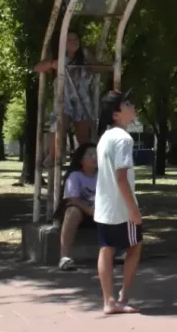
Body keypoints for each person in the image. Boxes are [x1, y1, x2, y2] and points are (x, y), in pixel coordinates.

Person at [94, 90, 142, 315]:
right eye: (126, 104)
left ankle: (109, 300)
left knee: (107, 249)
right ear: (116, 114)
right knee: (135, 246)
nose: (132, 106)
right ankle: (122, 295)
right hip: (121, 208)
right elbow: (121, 178)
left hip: (104, 208)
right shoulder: (124, 139)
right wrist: (134, 210)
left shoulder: (105, 137)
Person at [34, 30, 96, 162]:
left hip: (82, 98)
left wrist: (106, 66)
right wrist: (52, 64)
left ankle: (83, 161)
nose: (74, 42)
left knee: (84, 137)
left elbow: (97, 67)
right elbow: (37, 68)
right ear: (62, 41)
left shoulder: (84, 54)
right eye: (70, 40)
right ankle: (54, 155)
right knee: (60, 121)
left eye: (76, 40)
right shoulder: (58, 55)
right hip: (64, 96)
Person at [57, 142, 97, 271]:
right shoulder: (75, 176)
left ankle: (121, 250)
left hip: (101, 212)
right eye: (90, 155)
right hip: (83, 212)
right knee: (73, 211)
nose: (94, 157)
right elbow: (72, 200)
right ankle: (65, 257)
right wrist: (90, 210)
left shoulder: (104, 175)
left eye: (97, 154)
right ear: (81, 160)